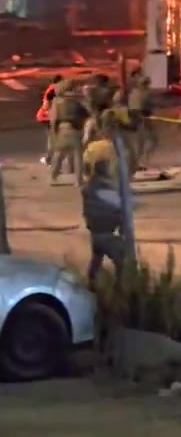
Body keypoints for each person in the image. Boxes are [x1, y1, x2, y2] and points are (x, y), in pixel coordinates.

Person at [82, 158, 126, 290]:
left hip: (95, 232)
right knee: (121, 262)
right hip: (106, 233)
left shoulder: (90, 188)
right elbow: (121, 204)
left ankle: (91, 285)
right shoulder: (104, 189)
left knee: (96, 259)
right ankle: (120, 290)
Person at [49, 79, 89, 186]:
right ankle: (78, 180)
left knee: (58, 154)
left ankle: (53, 176)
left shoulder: (57, 101)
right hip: (76, 129)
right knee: (78, 155)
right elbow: (87, 113)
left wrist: (54, 133)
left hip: (62, 128)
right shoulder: (78, 100)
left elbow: (53, 119)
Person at [36, 74, 63, 165]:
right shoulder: (52, 90)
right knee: (53, 138)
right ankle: (49, 159)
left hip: (50, 117)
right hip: (46, 118)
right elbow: (46, 105)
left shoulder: (56, 90)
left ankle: (50, 159)